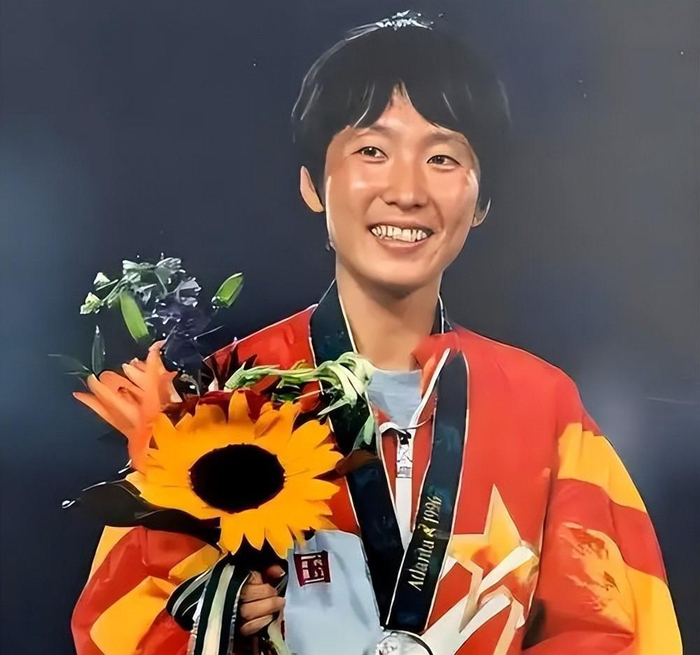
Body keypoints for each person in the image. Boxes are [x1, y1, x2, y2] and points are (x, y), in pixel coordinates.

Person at [71, 12, 682, 655]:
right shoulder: (215, 401)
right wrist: (213, 616)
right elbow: (117, 624)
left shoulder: (544, 408)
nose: (407, 190)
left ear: (481, 201)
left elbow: (615, 631)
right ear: (312, 183)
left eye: (443, 157)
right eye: (372, 150)